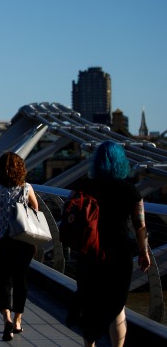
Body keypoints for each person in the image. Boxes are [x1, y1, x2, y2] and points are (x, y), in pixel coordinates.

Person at [71, 141, 151, 346]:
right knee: (117, 306)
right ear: (121, 162)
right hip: (120, 255)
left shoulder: (83, 187)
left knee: (90, 304)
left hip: (89, 253)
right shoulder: (131, 191)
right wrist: (144, 252)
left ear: (96, 162)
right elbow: (140, 226)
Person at [0, 152, 38, 341]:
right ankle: (18, 320)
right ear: (20, 169)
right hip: (22, 241)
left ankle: (6, 319)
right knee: (21, 280)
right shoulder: (26, 188)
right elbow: (36, 212)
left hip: (0, 241)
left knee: (3, 281)